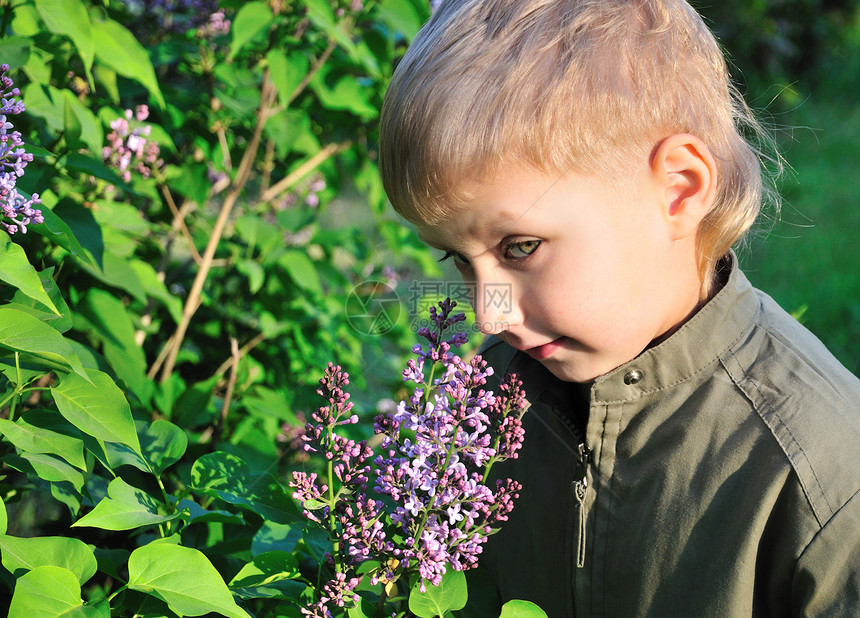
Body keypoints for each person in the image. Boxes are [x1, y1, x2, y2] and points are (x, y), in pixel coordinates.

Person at [377, 0, 860, 616]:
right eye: (458, 261)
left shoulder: (822, 476)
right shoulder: (479, 411)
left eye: (520, 247)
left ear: (679, 190)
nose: (487, 316)